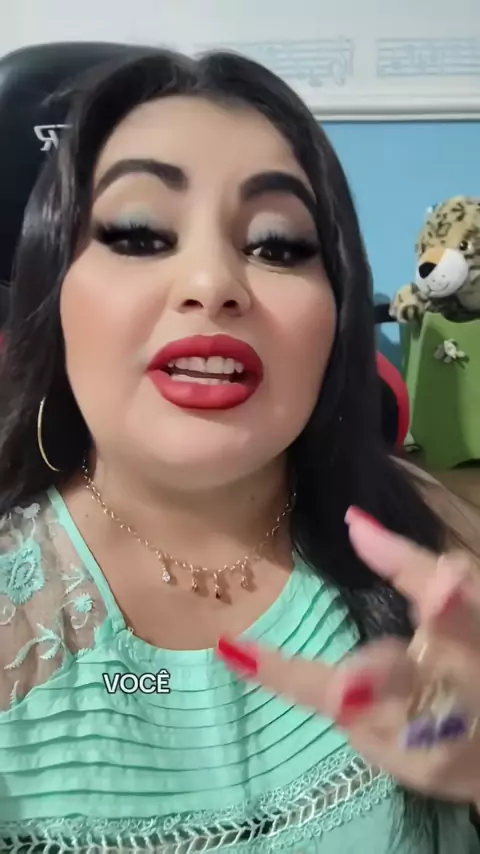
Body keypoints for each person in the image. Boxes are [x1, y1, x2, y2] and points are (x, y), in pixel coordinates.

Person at [0, 47, 479, 853]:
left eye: (279, 245)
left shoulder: (440, 550)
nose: (214, 282)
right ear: (51, 292)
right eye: (140, 233)